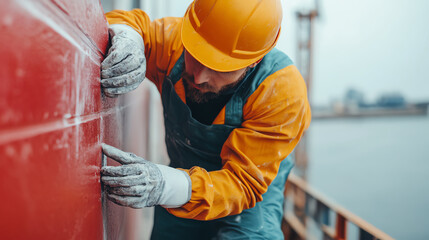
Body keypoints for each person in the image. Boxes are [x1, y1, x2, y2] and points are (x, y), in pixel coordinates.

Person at [100, 0, 311, 239]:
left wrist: (168, 186)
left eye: (220, 67)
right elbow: (132, 23)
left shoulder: (281, 92)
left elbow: (242, 183)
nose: (199, 76)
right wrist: (128, 39)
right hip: (180, 177)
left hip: (246, 192)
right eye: (196, 55)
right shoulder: (175, 41)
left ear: (254, 61)